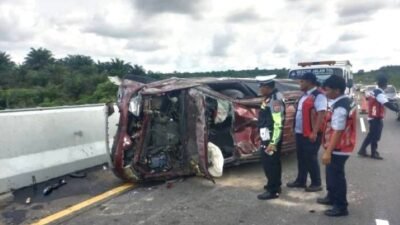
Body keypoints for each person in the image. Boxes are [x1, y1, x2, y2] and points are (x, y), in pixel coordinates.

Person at [317, 75, 357, 217]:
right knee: (330, 174)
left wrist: (328, 151)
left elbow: (338, 131)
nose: (325, 93)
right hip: (340, 146)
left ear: (337, 90)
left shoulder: (341, 107)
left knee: (336, 177)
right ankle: (331, 197)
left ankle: (341, 206)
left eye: (327, 90)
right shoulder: (345, 101)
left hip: (339, 148)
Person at [287, 72, 327, 192]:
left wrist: (314, 132)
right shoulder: (304, 95)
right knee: (301, 158)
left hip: (311, 134)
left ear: (309, 82)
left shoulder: (319, 95)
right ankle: (301, 180)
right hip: (300, 132)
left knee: (311, 158)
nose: (300, 83)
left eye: (302, 81)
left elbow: (321, 114)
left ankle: (316, 183)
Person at [357, 76, 400, 159]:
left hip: (372, 116)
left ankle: (362, 150)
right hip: (376, 118)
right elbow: (386, 103)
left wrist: (392, 102)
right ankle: (374, 153)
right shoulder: (379, 93)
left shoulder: (375, 91)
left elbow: (385, 99)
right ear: (385, 84)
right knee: (376, 136)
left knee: (371, 135)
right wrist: (397, 109)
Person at [257, 79, 285, 200]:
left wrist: (273, 142)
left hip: (271, 137)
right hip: (267, 136)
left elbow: (278, 123)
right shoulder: (270, 97)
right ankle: (273, 184)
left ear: (268, 87)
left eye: (261, 87)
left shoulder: (275, 100)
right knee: (272, 162)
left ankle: (273, 191)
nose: (260, 89)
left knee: (270, 163)